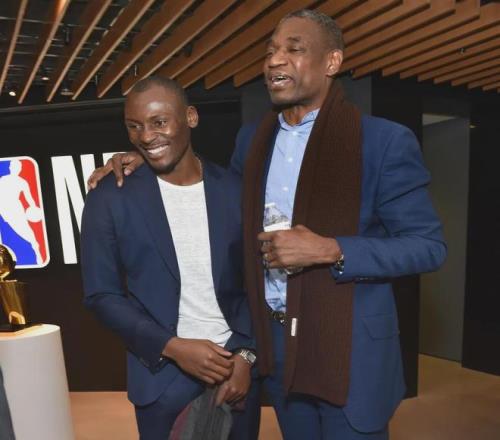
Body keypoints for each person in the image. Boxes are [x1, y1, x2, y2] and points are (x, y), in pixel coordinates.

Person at [88, 10, 446, 440]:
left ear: (332, 62)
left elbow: (428, 246)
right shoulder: (253, 140)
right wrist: (144, 158)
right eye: (271, 51)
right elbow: (224, 221)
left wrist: (332, 249)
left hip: (348, 350)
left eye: (294, 49)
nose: (275, 60)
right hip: (278, 348)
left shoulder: (384, 141)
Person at [80, 76, 259, 440]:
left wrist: (246, 355)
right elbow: (101, 295)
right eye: (134, 126)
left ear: (190, 117)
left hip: (235, 372)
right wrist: (172, 347)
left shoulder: (235, 190)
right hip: (162, 379)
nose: (146, 136)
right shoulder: (109, 197)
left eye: (159, 122)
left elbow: (259, 283)